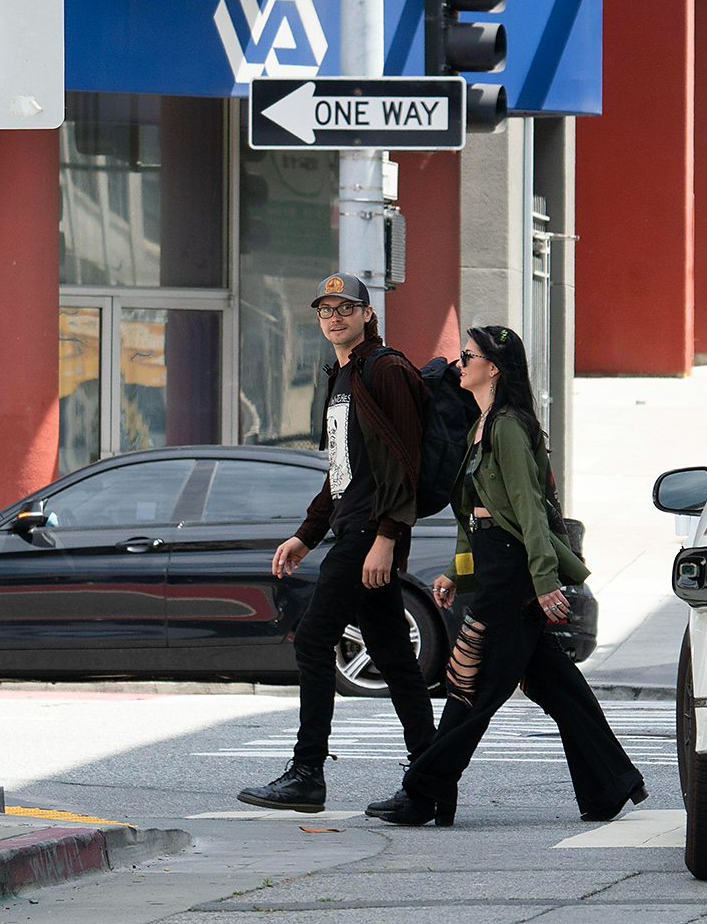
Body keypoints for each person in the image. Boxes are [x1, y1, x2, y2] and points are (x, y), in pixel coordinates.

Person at [367, 324, 646, 827]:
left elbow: (529, 512)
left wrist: (544, 582)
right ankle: (612, 783)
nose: (459, 364)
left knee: (469, 680)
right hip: (496, 559)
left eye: (468, 355)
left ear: (492, 367)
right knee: (556, 684)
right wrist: (457, 570)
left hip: (515, 567)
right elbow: (474, 513)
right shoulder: (480, 424)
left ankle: (424, 792)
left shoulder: (508, 427)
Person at [237, 273, 437, 813]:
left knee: (313, 639)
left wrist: (388, 538)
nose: (335, 317)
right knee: (395, 656)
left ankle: (307, 775)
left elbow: (406, 459)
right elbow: (342, 470)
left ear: (367, 314)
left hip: (372, 531)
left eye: (346, 307)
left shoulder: (385, 368)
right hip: (354, 526)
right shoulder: (343, 374)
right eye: (326, 310)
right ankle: (433, 783)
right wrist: (306, 534)